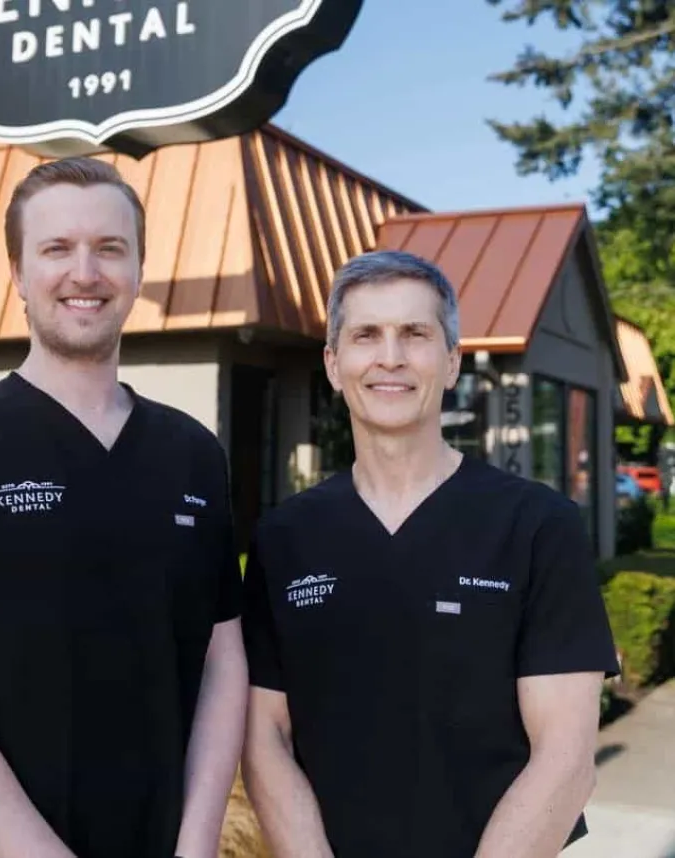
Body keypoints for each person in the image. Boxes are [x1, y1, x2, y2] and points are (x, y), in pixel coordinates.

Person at [0, 157, 248, 858]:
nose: (85, 272)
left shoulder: (193, 454)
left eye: (109, 248)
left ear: (137, 270)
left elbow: (223, 662)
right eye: (57, 248)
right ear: (17, 274)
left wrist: (196, 843)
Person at [240, 250, 619, 858]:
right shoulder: (283, 538)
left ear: (451, 362)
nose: (390, 357)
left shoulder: (536, 527)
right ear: (334, 365)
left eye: (415, 334)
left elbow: (567, 758)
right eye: (366, 335)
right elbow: (265, 738)